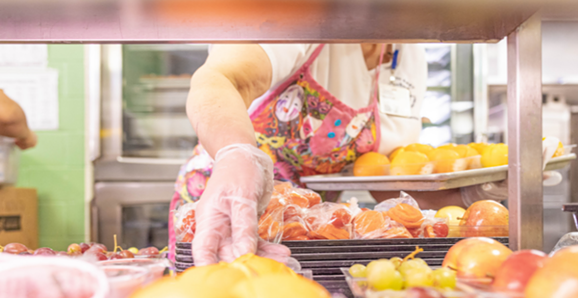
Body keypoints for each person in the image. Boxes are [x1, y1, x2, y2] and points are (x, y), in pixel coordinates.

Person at [172, 44, 507, 266]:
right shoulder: (304, 10)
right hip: (229, 202)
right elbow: (218, 80)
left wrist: (472, 192)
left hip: (310, 229)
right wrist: (236, 155)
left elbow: (382, 182)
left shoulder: (409, 53)